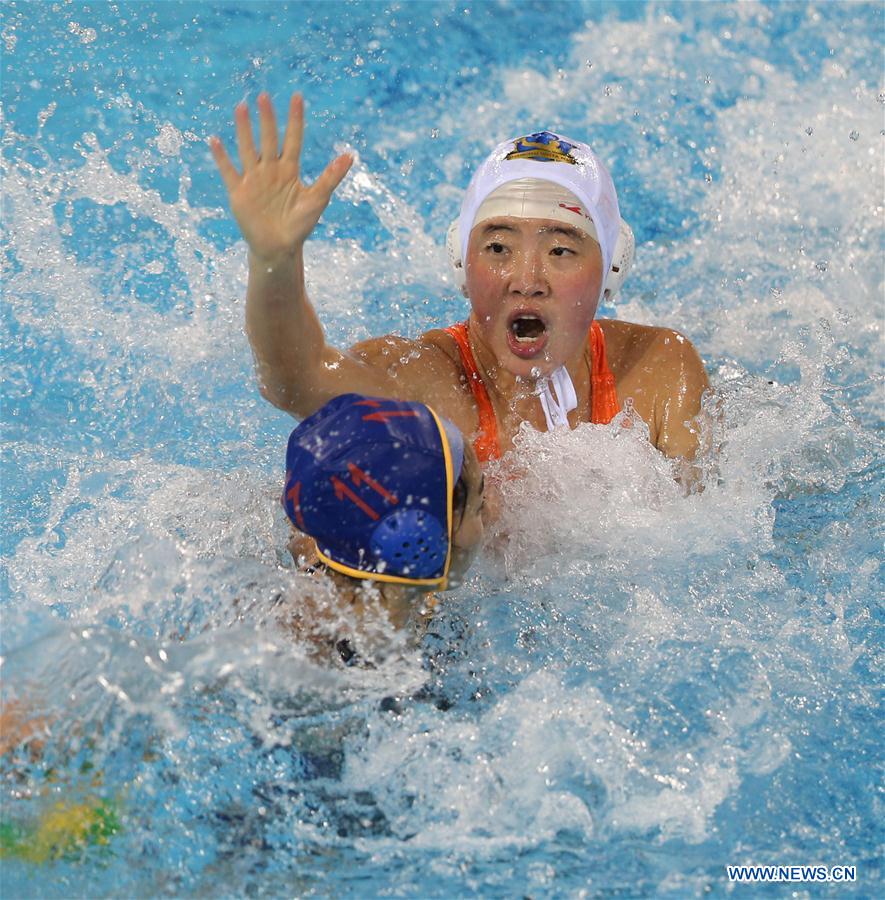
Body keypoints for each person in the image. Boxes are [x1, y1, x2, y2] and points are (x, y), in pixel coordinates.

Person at [210, 94, 710, 478]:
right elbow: (295, 379)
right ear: (461, 263)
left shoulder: (658, 376)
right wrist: (274, 258)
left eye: (561, 250)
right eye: (497, 248)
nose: (527, 280)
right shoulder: (426, 389)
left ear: (612, 268)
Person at [274, 392, 485, 662]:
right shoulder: (306, 658)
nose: (486, 520)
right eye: (479, 507)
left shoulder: (320, 552)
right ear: (417, 540)